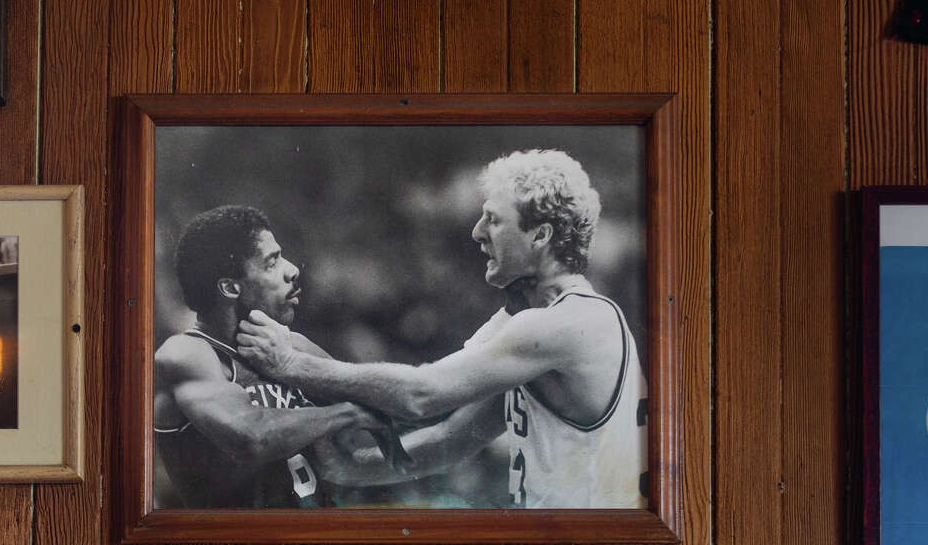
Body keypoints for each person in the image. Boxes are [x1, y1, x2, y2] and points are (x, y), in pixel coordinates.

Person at [236, 149, 648, 509]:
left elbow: (422, 394)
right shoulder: (524, 323)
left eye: (493, 220)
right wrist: (347, 467)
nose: (477, 233)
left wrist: (290, 363)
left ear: (540, 235)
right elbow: (453, 436)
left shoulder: (571, 322)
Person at [153, 205, 405, 509]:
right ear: (230, 287)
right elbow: (252, 437)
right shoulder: (186, 353)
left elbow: (382, 416)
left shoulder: (294, 347)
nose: (292, 269)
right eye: (272, 262)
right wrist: (347, 414)